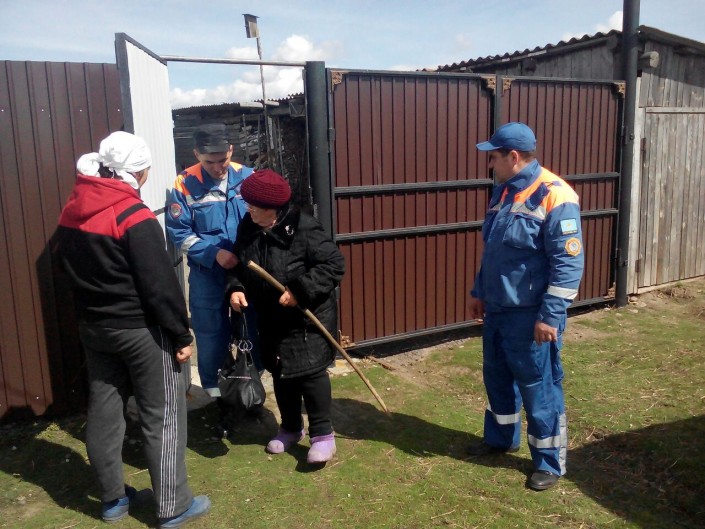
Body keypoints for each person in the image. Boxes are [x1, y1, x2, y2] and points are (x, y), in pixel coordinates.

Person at [52, 131, 210, 527]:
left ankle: (112, 500)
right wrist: (181, 335)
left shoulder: (73, 209)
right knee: (163, 414)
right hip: (141, 331)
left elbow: (61, 263)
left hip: (95, 328)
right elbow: (160, 286)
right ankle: (174, 506)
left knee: (105, 412)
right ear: (138, 173)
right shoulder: (134, 216)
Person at [467, 122, 584, 491]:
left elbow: (568, 264)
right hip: (498, 309)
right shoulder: (504, 192)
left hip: (531, 316)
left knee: (538, 386)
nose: (490, 164)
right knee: (497, 376)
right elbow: (495, 250)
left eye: (494, 157)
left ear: (513, 157)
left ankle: (548, 462)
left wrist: (550, 317)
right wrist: (480, 291)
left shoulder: (556, 195)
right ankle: (501, 439)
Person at [225, 169, 345, 465]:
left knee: (310, 374)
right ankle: (291, 427)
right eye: (248, 204)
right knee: (280, 373)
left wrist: (299, 291)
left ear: (273, 208)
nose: (249, 210)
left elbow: (334, 264)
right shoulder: (249, 225)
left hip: (306, 319)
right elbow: (240, 263)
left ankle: (323, 435)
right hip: (270, 317)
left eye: (254, 206)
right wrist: (236, 288)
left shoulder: (304, 228)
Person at [166, 123, 259, 430]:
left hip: (246, 274)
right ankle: (219, 399)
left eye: (223, 159)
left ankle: (251, 391)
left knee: (250, 332)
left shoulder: (248, 177)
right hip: (208, 275)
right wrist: (213, 253)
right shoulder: (183, 184)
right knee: (210, 338)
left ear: (231, 150)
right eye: (210, 162)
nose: (218, 167)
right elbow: (180, 233)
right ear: (196, 154)